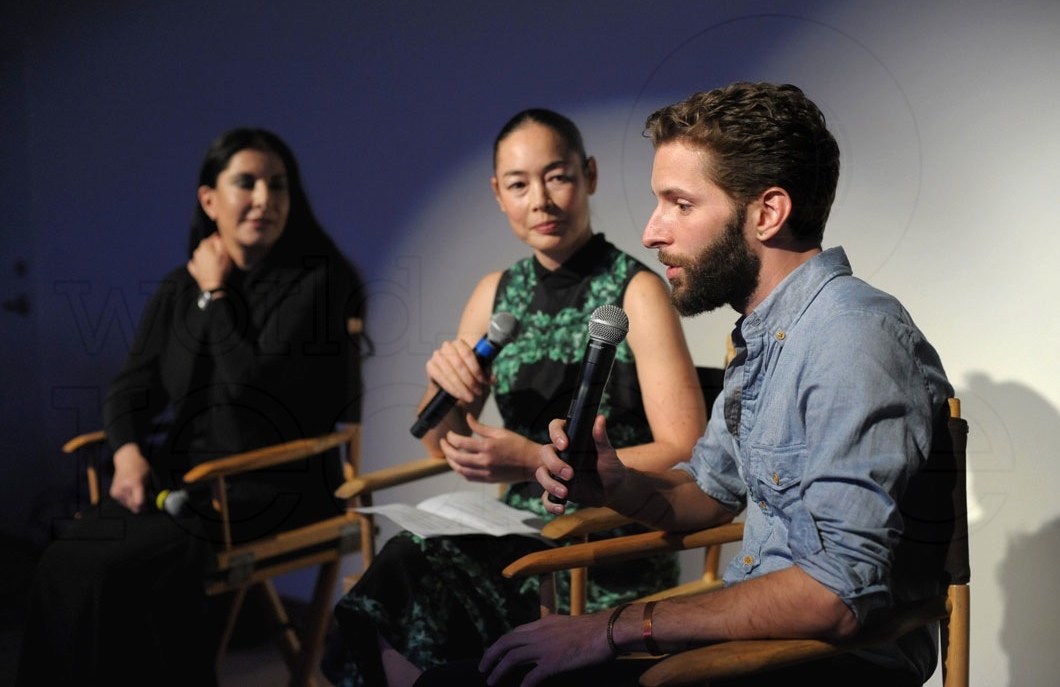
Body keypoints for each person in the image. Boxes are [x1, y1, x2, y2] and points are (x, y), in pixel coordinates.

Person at [418, 82, 954, 687]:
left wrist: (614, 626)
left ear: (767, 212)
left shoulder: (851, 339)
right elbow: (706, 491)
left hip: (817, 664)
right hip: (746, 642)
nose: (651, 232)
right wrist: (618, 483)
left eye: (680, 204)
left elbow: (836, 594)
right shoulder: (763, 335)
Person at [323, 108, 705, 687]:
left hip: (604, 543)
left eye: (557, 177)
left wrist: (533, 459)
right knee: (405, 571)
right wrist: (447, 389)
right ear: (498, 195)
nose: (541, 201)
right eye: (520, 184)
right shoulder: (495, 293)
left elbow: (687, 450)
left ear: (589, 176)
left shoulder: (636, 290)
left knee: (411, 576)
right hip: (518, 532)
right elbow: (439, 445)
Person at [16, 127, 368, 687]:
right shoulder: (180, 288)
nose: (264, 199)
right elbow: (131, 386)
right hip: (185, 483)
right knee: (64, 562)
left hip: (275, 486)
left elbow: (251, 394)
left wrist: (216, 295)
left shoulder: (320, 285)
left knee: (115, 571)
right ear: (209, 200)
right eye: (246, 183)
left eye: (278, 185)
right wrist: (129, 453)